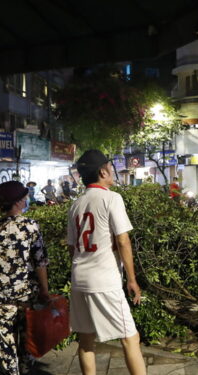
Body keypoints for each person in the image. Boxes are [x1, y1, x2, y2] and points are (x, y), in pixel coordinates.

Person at [67, 149, 146, 375]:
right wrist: (132, 279)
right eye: (110, 168)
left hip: (79, 279)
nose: (112, 171)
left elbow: (72, 248)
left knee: (86, 340)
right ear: (102, 171)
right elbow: (123, 240)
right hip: (105, 280)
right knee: (130, 338)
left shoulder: (76, 204)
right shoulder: (112, 198)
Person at [0, 181, 50, 375]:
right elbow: (40, 262)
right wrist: (44, 290)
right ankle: (24, 369)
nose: (27, 199)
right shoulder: (31, 227)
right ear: (17, 202)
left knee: (5, 344)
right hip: (26, 296)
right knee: (27, 340)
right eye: (24, 197)